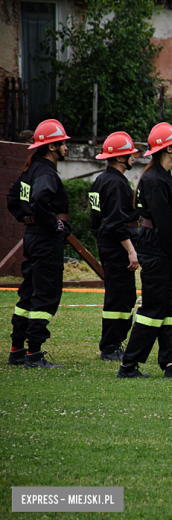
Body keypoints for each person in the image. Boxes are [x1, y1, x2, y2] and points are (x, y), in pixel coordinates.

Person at [117, 122, 172, 379]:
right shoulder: (154, 180)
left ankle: (171, 363)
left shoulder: (165, 178)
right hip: (158, 251)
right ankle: (129, 365)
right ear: (168, 148)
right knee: (152, 310)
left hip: (166, 251)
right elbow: (164, 223)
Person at [6, 119, 71, 368]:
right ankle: (34, 353)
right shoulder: (45, 172)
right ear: (52, 147)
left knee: (27, 294)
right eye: (63, 143)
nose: (66, 147)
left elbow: (14, 197)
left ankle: (17, 349)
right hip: (45, 239)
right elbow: (41, 198)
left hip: (32, 235)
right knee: (45, 295)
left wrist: (27, 218)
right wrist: (53, 224)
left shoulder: (30, 170)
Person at [88, 131, 140, 361]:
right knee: (121, 297)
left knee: (119, 295)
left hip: (106, 243)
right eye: (129, 154)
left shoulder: (100, 180)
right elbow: (118, 223)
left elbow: (95, 220)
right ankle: (110, 346)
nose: (133, 157)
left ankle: (112, 344)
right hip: (117, 245)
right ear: (120, 158)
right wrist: (131, 250)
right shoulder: (117, 184)